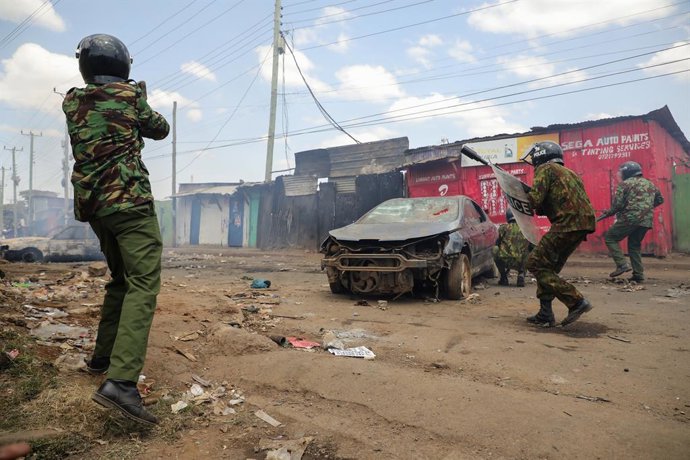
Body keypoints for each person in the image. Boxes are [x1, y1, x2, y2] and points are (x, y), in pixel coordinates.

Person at [62, 34, 169, 425]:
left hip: (95, 207)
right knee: (143, 283)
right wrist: (139, 94)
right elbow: (161, 129)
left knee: (121, 280)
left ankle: (102, 358)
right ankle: (121, 384)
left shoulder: (72, 101)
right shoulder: (130, 97)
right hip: (129, 203)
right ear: (123, 63)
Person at [521, 141, 596, 327]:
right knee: (547, 268)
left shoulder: (545, 169)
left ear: (540, 155)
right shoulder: (569, 173)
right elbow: (553, 203)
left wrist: (519, 195)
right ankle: (545, 313)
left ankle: (577, 301)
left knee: (535, 263)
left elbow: (535, 200)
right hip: (582, 223)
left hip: (567, 222)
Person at [599, 161, 663, 282]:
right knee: (634, 245)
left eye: (621, 172)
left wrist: (609, 212)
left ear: (627, 172)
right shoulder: (650, 184)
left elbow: (617, 206)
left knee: (610, 238)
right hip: (646, 220)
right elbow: (660, 200)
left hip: (630, 218)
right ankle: (638, 275)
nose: (620, 174)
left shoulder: (624, 184)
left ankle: (622, 264)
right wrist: (645, 207)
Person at [492, 209, 531, 287]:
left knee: (495, 249)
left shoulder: (503, 228)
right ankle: (521, 274)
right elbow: (533, 246)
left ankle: (504, 277)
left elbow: (497, 244)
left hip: (506, 260)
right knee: (529, 251)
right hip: (521, 262)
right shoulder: (526, 229)